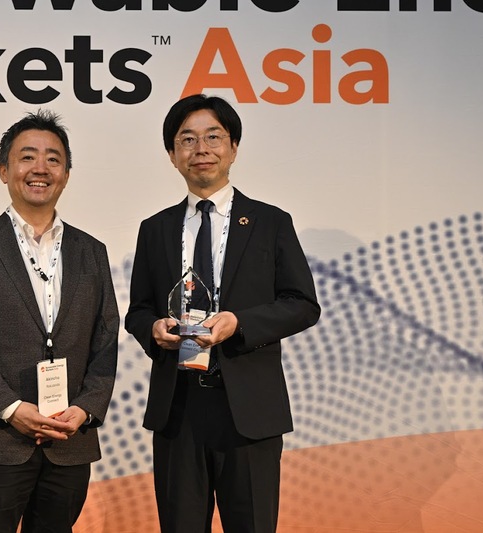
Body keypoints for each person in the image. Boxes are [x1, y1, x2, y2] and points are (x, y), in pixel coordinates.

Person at [125, 94, 320, 533]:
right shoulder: (155, 229)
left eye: (213, 137)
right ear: (172, 154)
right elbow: (138, 310)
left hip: (248, 410)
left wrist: (240, 323)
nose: (201, 149)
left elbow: (302, 304)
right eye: (187, 139)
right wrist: (152, 328)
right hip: (179, 409)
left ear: (233, 147)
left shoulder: (270, 222)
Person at [0, 110, 119, 533]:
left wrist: (86, 409)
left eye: (53, 159)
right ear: (4, 170)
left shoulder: (91, 251)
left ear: (66, 175)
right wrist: (10, 408)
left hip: (68, 438)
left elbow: (106, 336)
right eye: (27, 157)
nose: (40, 168)